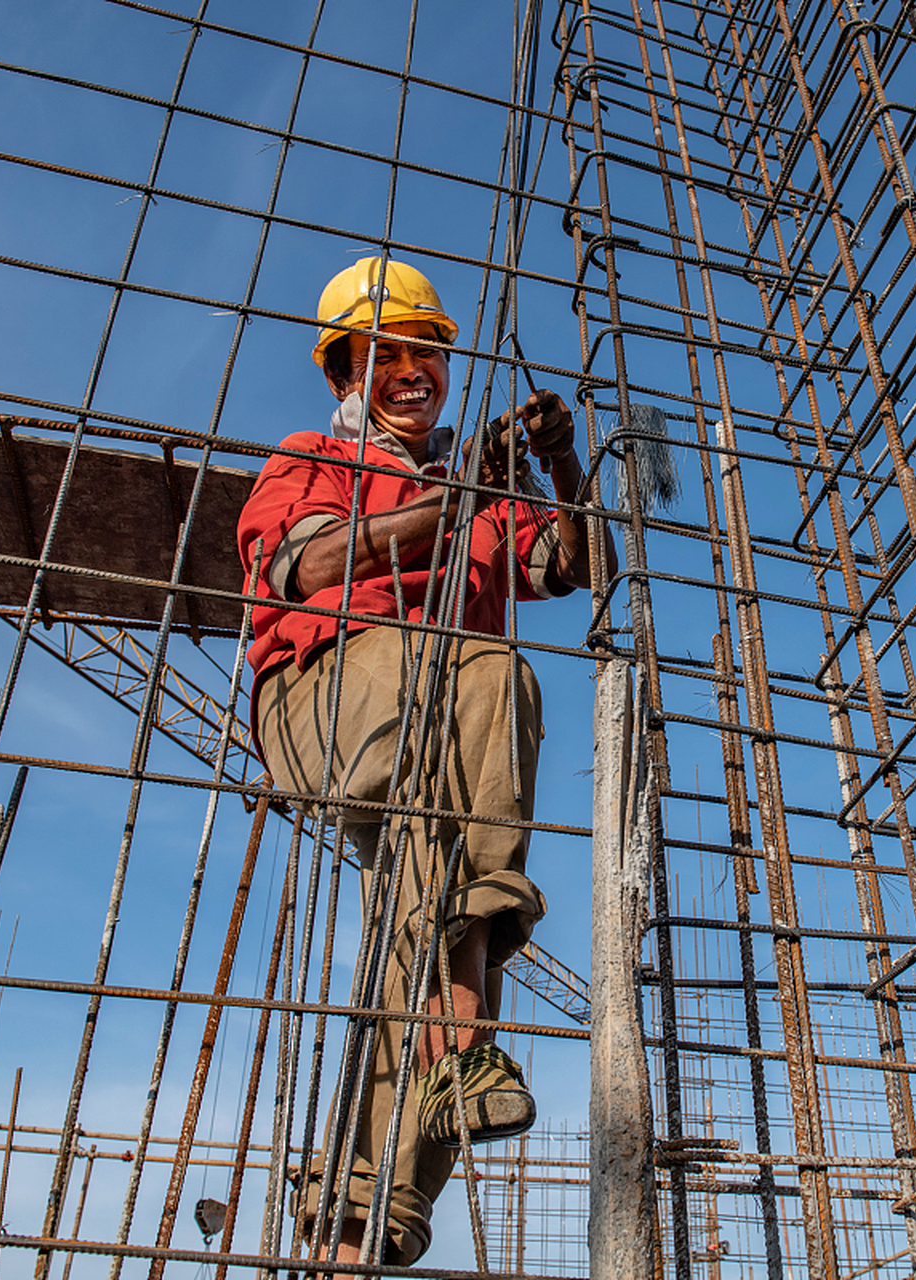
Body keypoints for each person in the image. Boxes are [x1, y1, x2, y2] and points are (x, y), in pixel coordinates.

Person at [237, 257, 598, 1266]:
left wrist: (562, 467)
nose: (409, 371)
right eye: (385, 353)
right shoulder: (309, 455)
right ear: (348, 368)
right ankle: (461, 1034)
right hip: (326, 699)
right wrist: (451, 498)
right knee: (478, 672)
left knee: (423, 902)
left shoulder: (481, 484)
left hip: (441, 731)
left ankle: (364, 1218)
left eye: (424, 352)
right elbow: (307, 562)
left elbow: (577, 566)